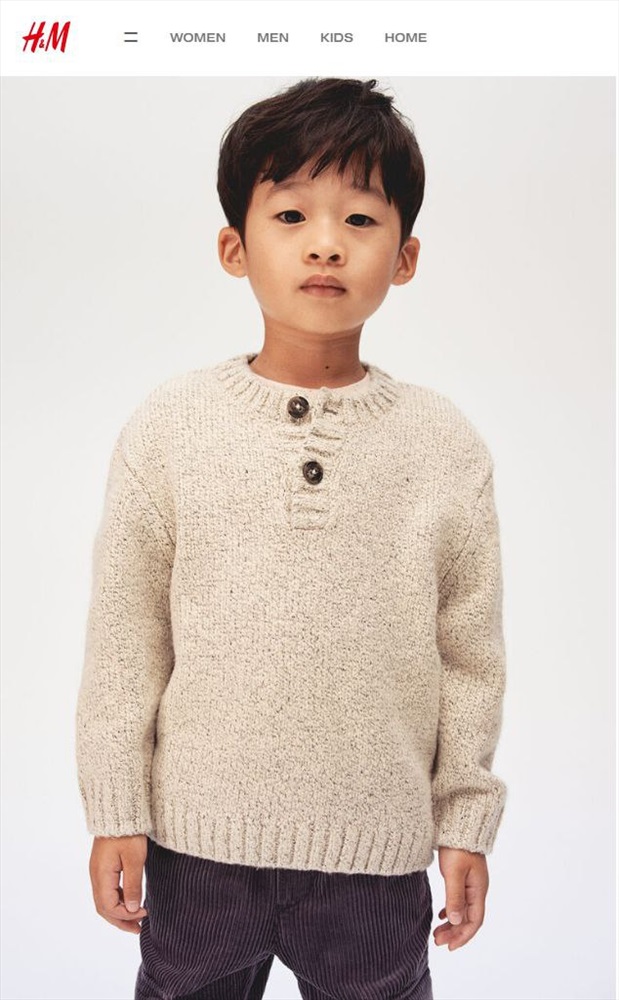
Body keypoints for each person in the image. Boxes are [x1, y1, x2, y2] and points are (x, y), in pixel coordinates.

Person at [75, 77, 508, 1000]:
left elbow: (468, 655)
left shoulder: (443, 444)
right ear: (233, 247)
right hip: (195, 851)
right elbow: (126, 639)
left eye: (360, 218)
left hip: (376, 861)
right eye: (289, 214)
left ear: (405, 256)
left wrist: (464, 820)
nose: (324, 243)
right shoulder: (171, 427)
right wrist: (115, 807)